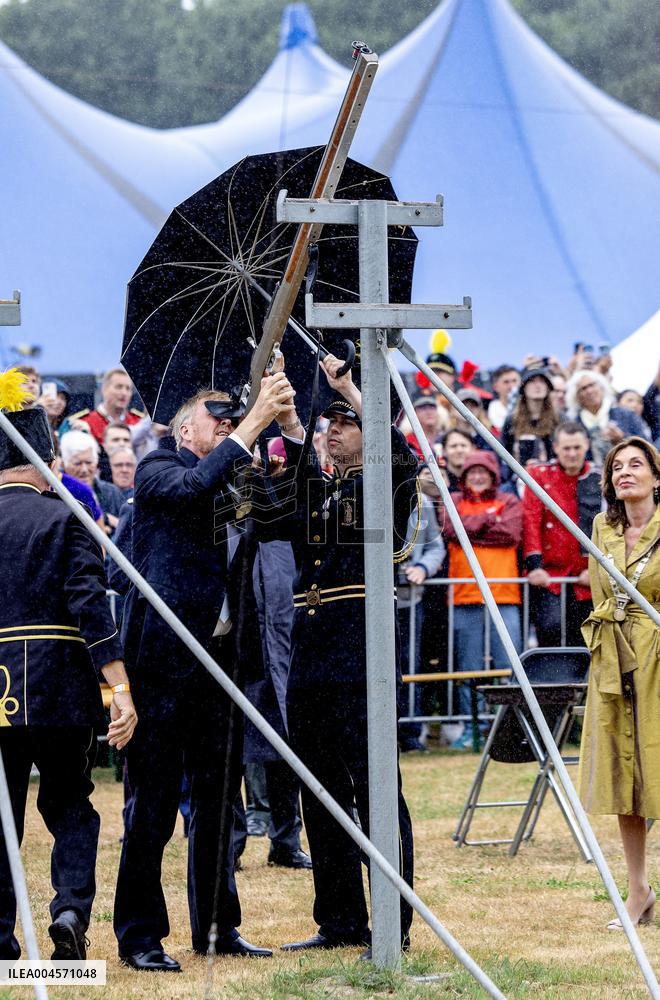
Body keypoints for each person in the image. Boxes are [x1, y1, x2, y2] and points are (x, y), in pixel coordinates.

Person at [113, 370, 294, 972]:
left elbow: (289, 515)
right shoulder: (156, 468)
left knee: (220, 805)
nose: (227, 421)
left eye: (231, 414)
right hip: (161, 665)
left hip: (219, 662)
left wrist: (286, 434)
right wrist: (248, 428)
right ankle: (139, 936)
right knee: (154, 806)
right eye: (217, 415)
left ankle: (218, 927)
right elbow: (189, 493)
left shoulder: (233, 475)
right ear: (183, 427)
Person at [273, 355, 418, 954]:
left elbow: (404, 461)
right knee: (322, 787)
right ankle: (339, 919)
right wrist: (283, 424)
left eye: (345, 422)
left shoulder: (384, 482)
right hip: (313, 648)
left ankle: (394, 920)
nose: (331, 428)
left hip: (362, 646)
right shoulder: (324, 484)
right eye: (325, 420)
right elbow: (281, 517)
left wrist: (353, 390)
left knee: (377, 787)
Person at [0, 392, 137, 962]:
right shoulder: (66, 516)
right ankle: (70, 910)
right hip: (63, 688)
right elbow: (89, 605)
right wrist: (119, 688)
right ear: (42, 458)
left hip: (1, 692)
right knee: (71, 806)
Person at [577, 437, 660, 929]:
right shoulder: (600, 527)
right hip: (613, 657)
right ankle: (639, 890)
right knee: (624, 777)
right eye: (617, 467)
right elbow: (597, 591)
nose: (625, 472)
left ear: (657, 476)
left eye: (636, 464)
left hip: (659, 654)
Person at [443, 450, 523, 750]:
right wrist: (490, 518)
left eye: (484, 472)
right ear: (464, 476)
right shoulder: (453, 502)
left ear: (493, 476)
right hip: (465, 595)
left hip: (504, 594)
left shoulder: (510, 501)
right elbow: (452, 529)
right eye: (472, 472)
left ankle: (509, 727)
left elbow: (511, 533)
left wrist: (471, 527)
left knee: (509, 666)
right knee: (470, 668)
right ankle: (471, 727)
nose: (477, 477)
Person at [522, 422, 601, 646]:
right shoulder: (539, 474)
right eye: (567, 448)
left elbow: (609, 526)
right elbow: (531, 520)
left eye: (577, 447)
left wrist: (597, 570)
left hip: (587, 574)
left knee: (588, 636)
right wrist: (534, 565)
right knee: (550, 630)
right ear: (556, 447)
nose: (572, 454)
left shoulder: (599, 476)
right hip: (551, 575)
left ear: (586, 445)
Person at [396, 484, 445, 752]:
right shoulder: (363, 489)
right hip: (369, 599)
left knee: (408, 665)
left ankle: (410, 732)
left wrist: (423, 568)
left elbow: (436, 547)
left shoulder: (421, 501)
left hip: (409, 599)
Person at [565, 370, 648, 466]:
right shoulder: (575, 424)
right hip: (591, 478)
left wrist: (622, 439)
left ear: (601, 387)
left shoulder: (625, 415)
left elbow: (647, 446)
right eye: (583, 388)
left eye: (592, 385)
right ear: (576, 396)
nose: (589, 391)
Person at [500, 365, 557, 488]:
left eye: (542, 381)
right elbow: (504, 455)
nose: (537, 385)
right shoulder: (511, 420)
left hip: (552, 480)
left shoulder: (559, 419)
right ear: (523, 388)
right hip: (519, 480)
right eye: (532, 381)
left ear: (548, 388)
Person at [60, 429, 124, 534]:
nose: (84, 470)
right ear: (63, 464)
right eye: (77, 463)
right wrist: (105, 519)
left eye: (89, 462)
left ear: (97, 462)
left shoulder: (111, 492)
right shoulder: (56, 492)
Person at [67, 368, 144, 446]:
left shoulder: (139, 422)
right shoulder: (85, 422)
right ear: (104, 389)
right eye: (119, 387)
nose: (124, 393)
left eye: (128, 388)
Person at [487, 364, 520, 431]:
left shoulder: (530, 406)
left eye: (514, 381)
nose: (511, 386)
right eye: (506, 382)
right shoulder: (490, 411)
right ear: (495, 387)